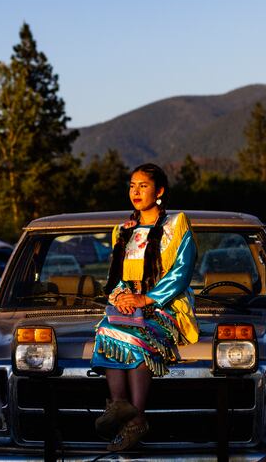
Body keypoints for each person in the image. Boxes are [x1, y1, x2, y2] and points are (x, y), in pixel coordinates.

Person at [91, 163, 199, 452]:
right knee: (106, 327)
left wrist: (146, 299)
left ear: (159, 191)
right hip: (130, 306)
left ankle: (137, 418)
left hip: (167, 306)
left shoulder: (176, 225)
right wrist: (121, 298)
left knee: (138, 335)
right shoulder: (122, 231)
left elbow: (182, 271)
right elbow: (115, 277)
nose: (135, 192)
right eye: (132, 186)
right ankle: (118, 406)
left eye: (143, 185)